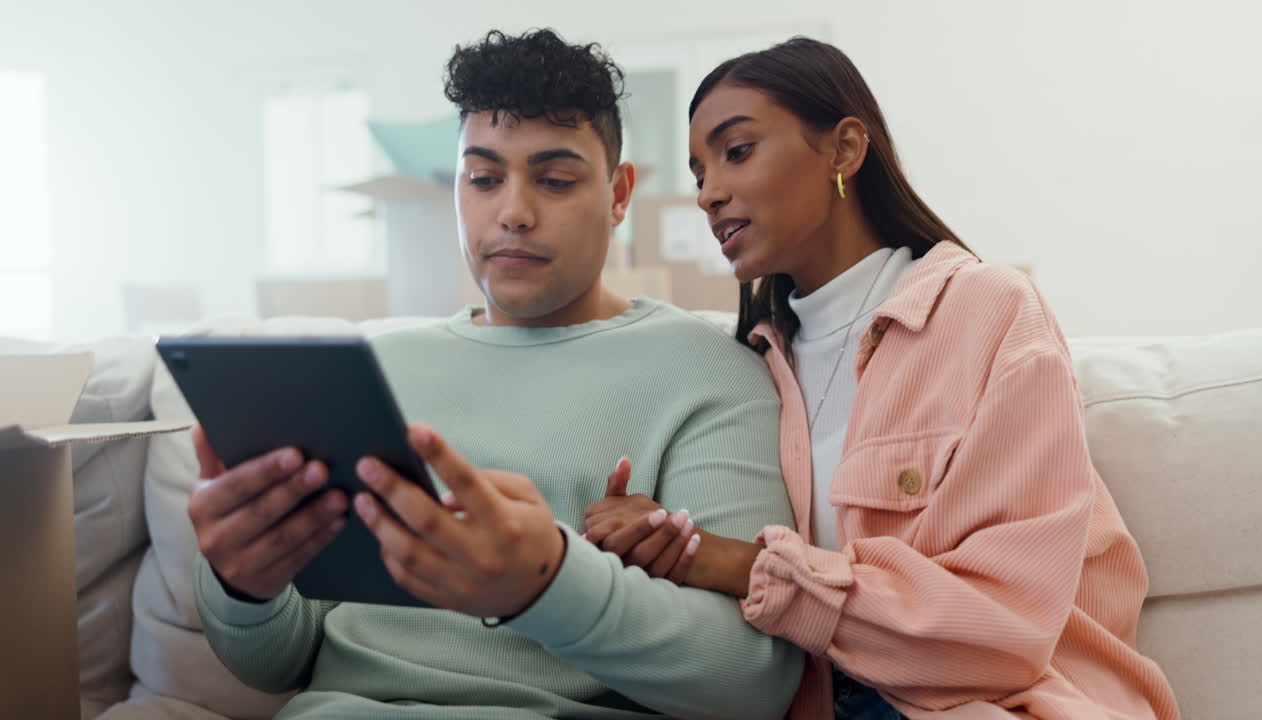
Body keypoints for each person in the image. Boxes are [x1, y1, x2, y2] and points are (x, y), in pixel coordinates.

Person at [187, 29, 803, 720]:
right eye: (483, 178)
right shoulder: (375, 371)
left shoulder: (711, 370)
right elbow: (277, 663)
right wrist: (244, 585)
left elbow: (751, 684)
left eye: (555, 179)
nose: (512, 212)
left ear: (618, 193)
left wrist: (542, 585)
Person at [584, 37, 1180, 720]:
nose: (709, 194)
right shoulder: (751, 368)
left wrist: (729, 562)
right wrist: (661, 544)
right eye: (697, 174)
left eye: (737, 151)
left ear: (844, 150)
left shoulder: (987, 311)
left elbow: (1003, 631)